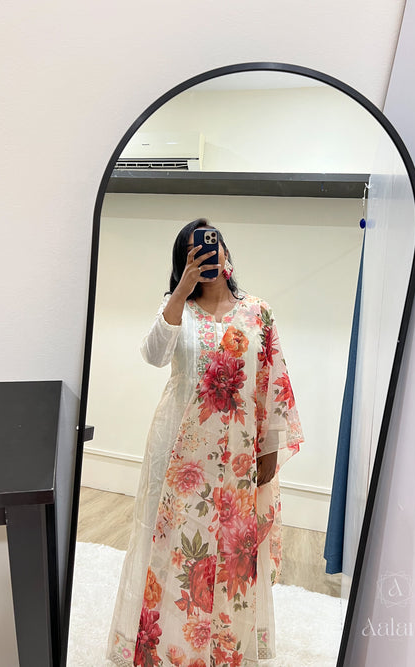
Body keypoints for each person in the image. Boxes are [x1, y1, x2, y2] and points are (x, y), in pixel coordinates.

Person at [106, 219, 304, 667]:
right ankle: (169, 647)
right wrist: (180, 291)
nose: (207, 255)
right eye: (194, 251)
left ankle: (223, 647)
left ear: (226, 252)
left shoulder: (258, 312)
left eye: (213, 246)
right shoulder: (178, 309)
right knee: (173, 542)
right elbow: (154, 355)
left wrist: (270, 449)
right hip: (178, 449)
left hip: (237, 454)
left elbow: (273, 383)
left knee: (233, 547)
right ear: (183, 262)